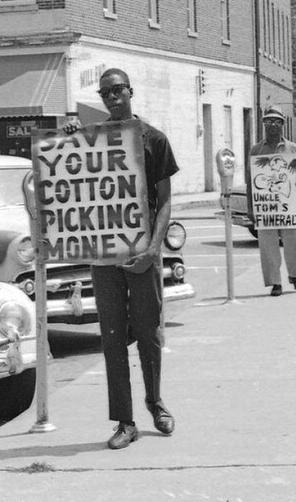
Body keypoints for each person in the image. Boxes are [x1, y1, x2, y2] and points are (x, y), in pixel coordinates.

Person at [65, 68, 179, 450]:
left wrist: (152, 250)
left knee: (148, 333)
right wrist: (66, 144)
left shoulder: (154, 140)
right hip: (103, 257)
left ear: (130, 91)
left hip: (143, 253)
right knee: (112, 338)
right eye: (105, 93)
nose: (112, 97)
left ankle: (155, 402)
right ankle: (124, 421)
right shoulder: (90, 141)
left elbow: (164, 202)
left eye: (117, 90)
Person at [247, 106, 296, 297]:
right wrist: (251, 207)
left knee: (294, 242)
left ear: (282, 124)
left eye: (277, 121)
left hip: (289, 204)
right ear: (263, 123)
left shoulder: (293, 148)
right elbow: (251, 181)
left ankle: (295, 276)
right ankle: (275, 282)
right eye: (269, 121)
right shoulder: (256, 150)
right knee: (268, 244)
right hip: (267, 206)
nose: (273, 124)